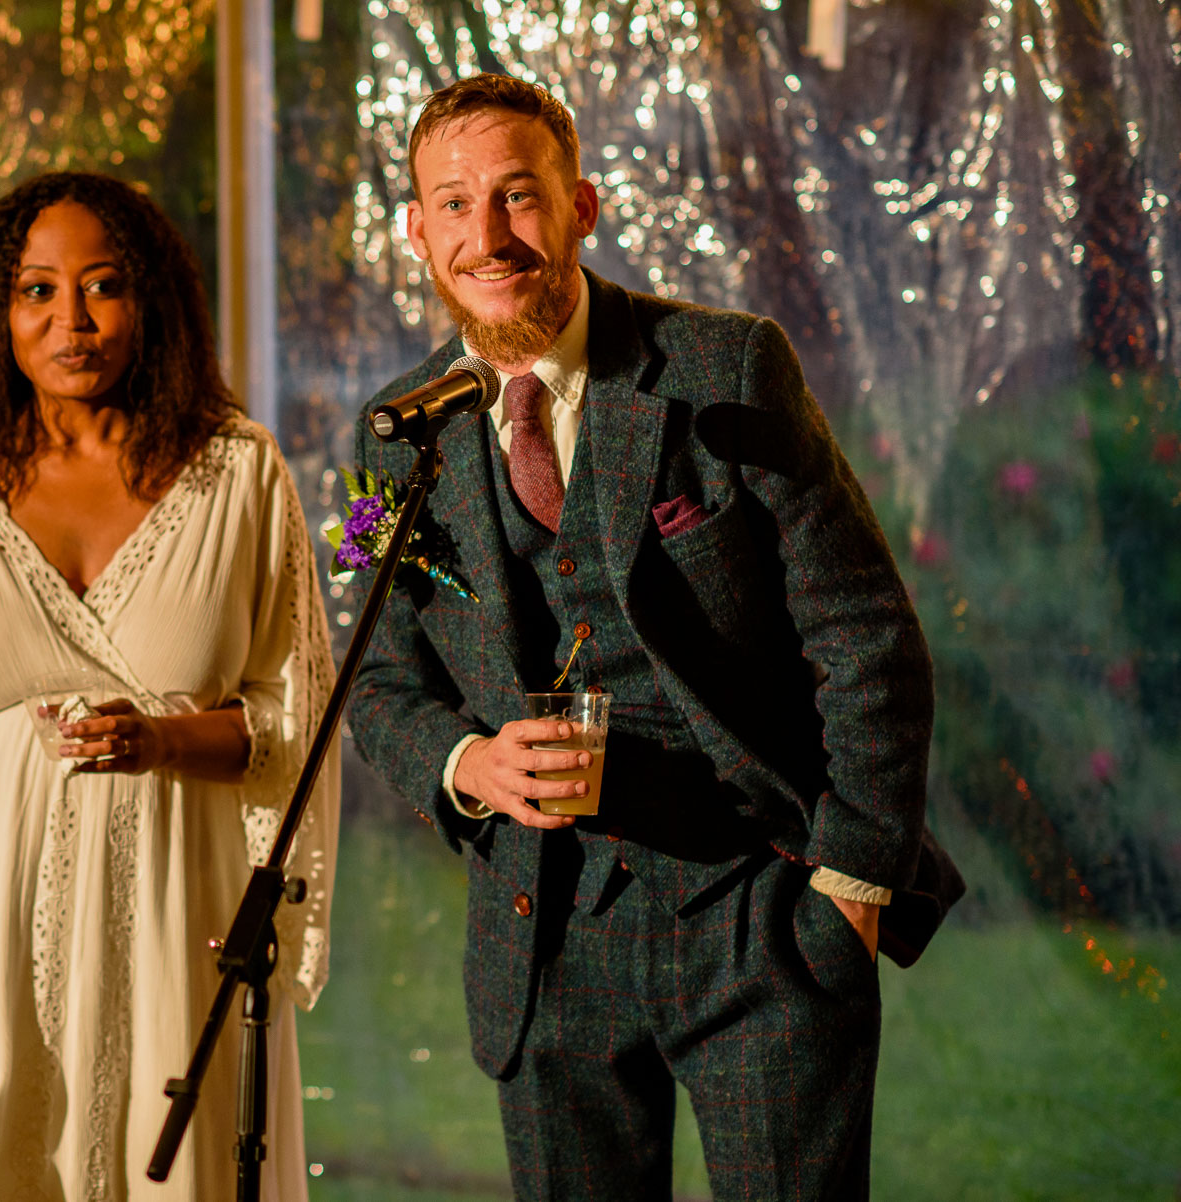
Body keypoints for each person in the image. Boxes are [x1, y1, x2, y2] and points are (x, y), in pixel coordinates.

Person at [346, 74, 963, 1200]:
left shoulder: (722, 367)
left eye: (518, 196)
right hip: (542, 935)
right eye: (453, 203)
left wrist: (852, 890)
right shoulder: (401, 431)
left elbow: (864, 631)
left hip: (758, 913)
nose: (488, 235)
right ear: (416, 231)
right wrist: (466, 762)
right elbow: (382, 679)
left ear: (582, 205)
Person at [0, 171, 338, 1202]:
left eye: (103, 285)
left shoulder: (242, 475)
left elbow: (295, 726)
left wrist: (165, 741)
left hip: (184, 935)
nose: (69, 320)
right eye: (36, 290)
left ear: (152, 301)